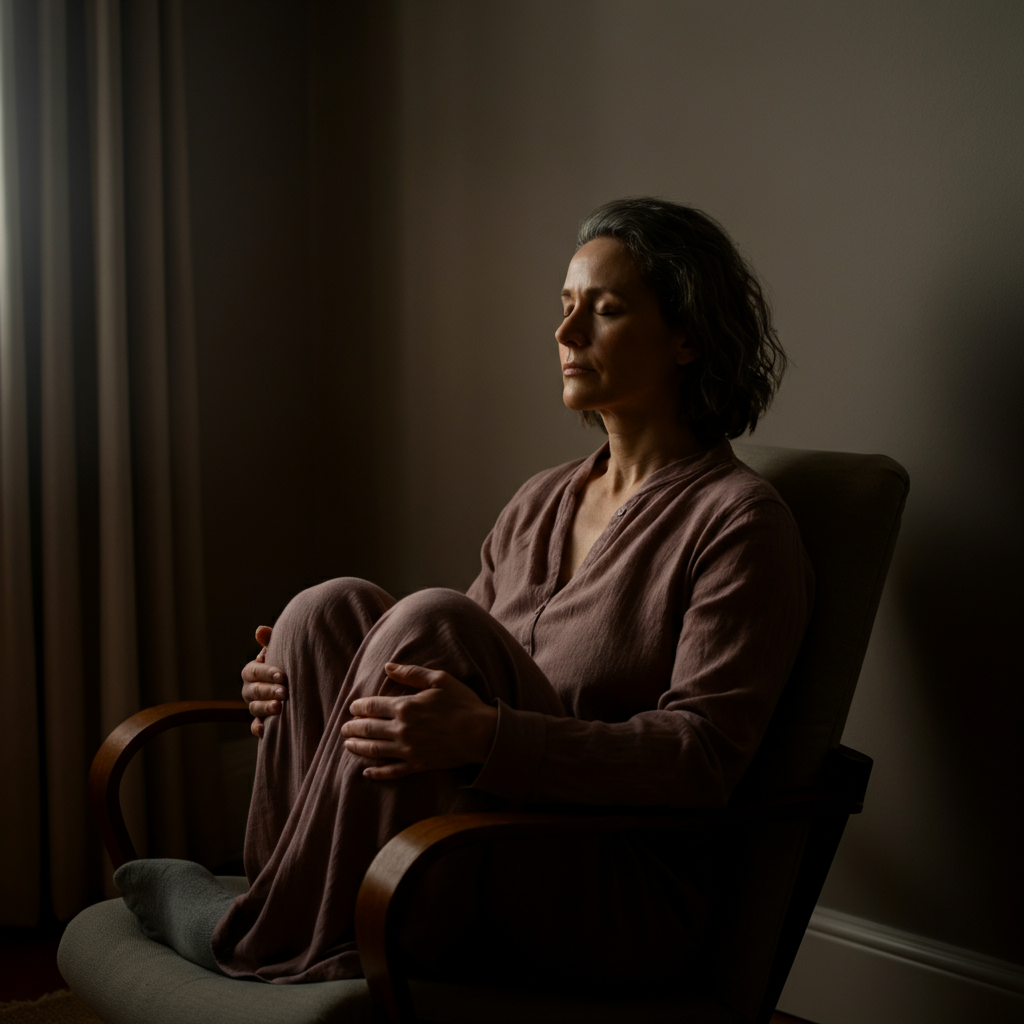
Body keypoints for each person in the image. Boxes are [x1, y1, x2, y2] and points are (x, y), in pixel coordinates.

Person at [116, 197, 814, 989]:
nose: (565, 335)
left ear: (688, 338)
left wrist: (491, 738)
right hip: (480, 840)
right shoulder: (540, 501)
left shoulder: (739, 525)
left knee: (430, 617)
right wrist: (299, 673)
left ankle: (242, 932)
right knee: (323, 612)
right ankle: (300, 924)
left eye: (606, 310)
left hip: (615, 893)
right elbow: (435, 668)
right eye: (565, 308)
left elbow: (704, 759)